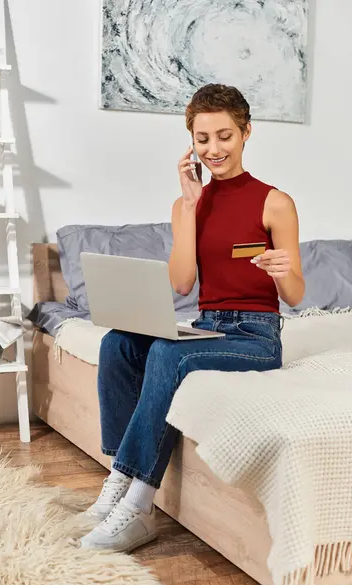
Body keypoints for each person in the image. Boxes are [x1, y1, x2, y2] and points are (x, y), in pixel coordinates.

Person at [81, 83, 305, 552]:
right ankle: (116, 485)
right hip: (207, 325)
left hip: (255, 334)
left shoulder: (275, 202)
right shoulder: (188, 205)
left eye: (224, 135)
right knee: (118, 344)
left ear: (246, 133)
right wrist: (188, 205)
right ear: (191, 143)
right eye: (203, 139)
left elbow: (297, 295)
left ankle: (138, 505)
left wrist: (283, 272)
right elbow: (182, 284)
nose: (214, 148)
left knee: (165, 352)